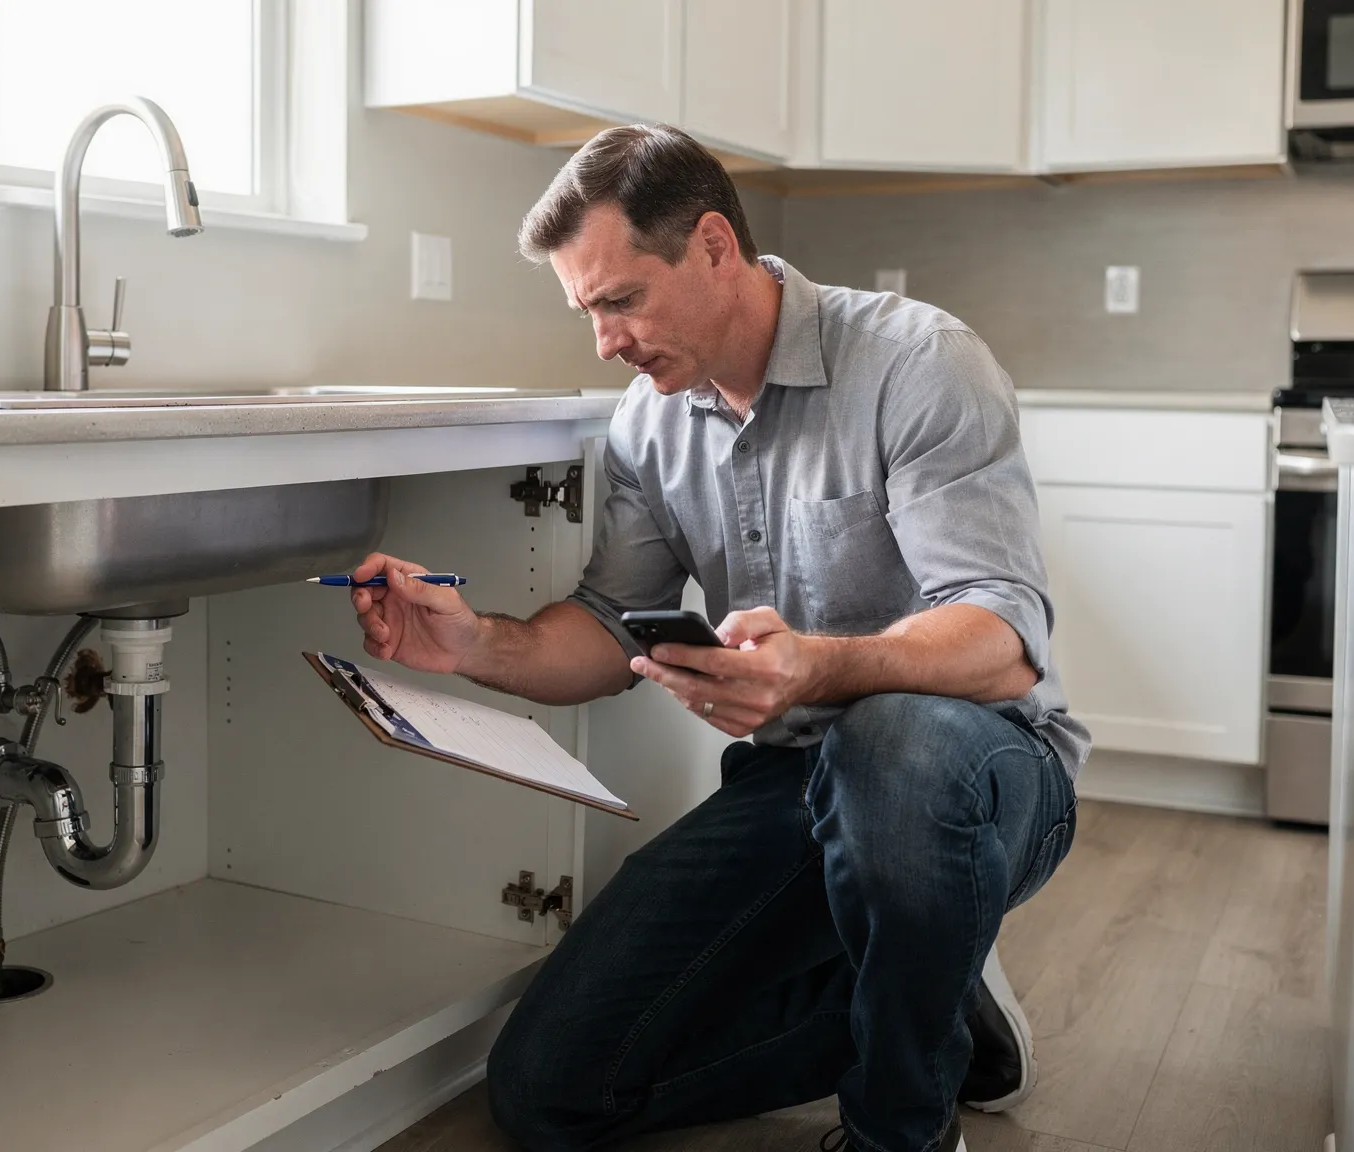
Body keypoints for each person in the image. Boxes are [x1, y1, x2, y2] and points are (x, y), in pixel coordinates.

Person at [344, 125, 1090, 1152]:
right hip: (792, 785)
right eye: (586, 312)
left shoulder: (918, 365)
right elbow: (609, 629)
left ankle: (900, 1125)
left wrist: (816, 667)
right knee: (546, 1091)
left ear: (709, 245)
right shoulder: (648, 426)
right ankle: (935, 1003)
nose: (603, 340)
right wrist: (473, 645)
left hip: (981, 775)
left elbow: (1000, 638)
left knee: (891, 742)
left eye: (619, 299)